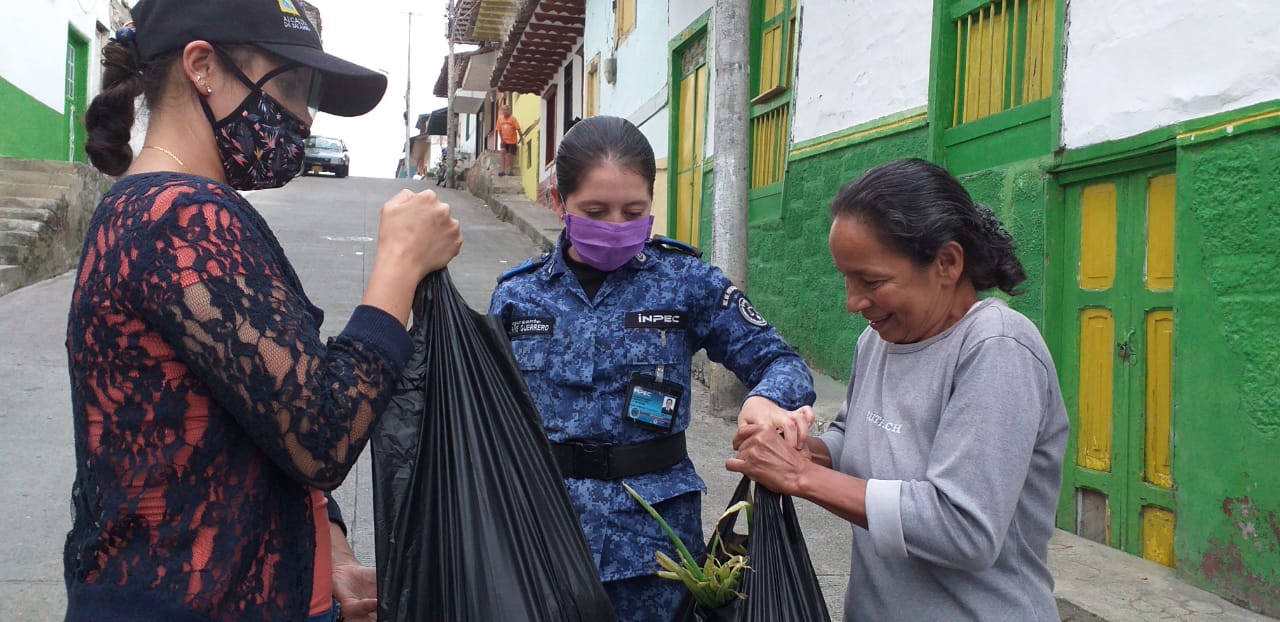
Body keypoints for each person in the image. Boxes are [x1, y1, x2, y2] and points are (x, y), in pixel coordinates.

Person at [65, 1, 462, 621]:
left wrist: (327, 555)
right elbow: (320, 433)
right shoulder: (178, 217)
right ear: (203, 67)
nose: (305, 117)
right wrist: (400, 268)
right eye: (295, 86)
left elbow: (258, 413)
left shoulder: (158, 209)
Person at [488, 116, 817, 621]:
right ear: (559, 203)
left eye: (634, 211)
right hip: (542, 530)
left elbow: (781, 361)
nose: (617, 226)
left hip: (656, 542)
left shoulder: (687, 282)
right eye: (596, 211)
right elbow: (485, 406)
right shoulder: (519, 295)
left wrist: (765, 399)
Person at [728, 158, 1070, 621]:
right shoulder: (879, 340)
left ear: (947, 263)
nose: (853, 302)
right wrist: (802, 447)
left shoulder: (997, 347)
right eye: (846, 279)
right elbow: (857, 437)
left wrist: (801, 478)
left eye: (871, 281)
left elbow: (964, 528)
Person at [494, 103, 521, 176]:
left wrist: (521, 138)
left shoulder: (513, 119)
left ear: (509, 110)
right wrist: (501, 139)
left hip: (512, 141)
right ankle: (503, 171)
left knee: (509, 154)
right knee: (502, 152)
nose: (504, 111)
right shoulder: (500, 119)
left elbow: (518, 129)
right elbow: (499, 130)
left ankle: (511, 171)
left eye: (506, 110)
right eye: (503, 110)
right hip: (504, 140)